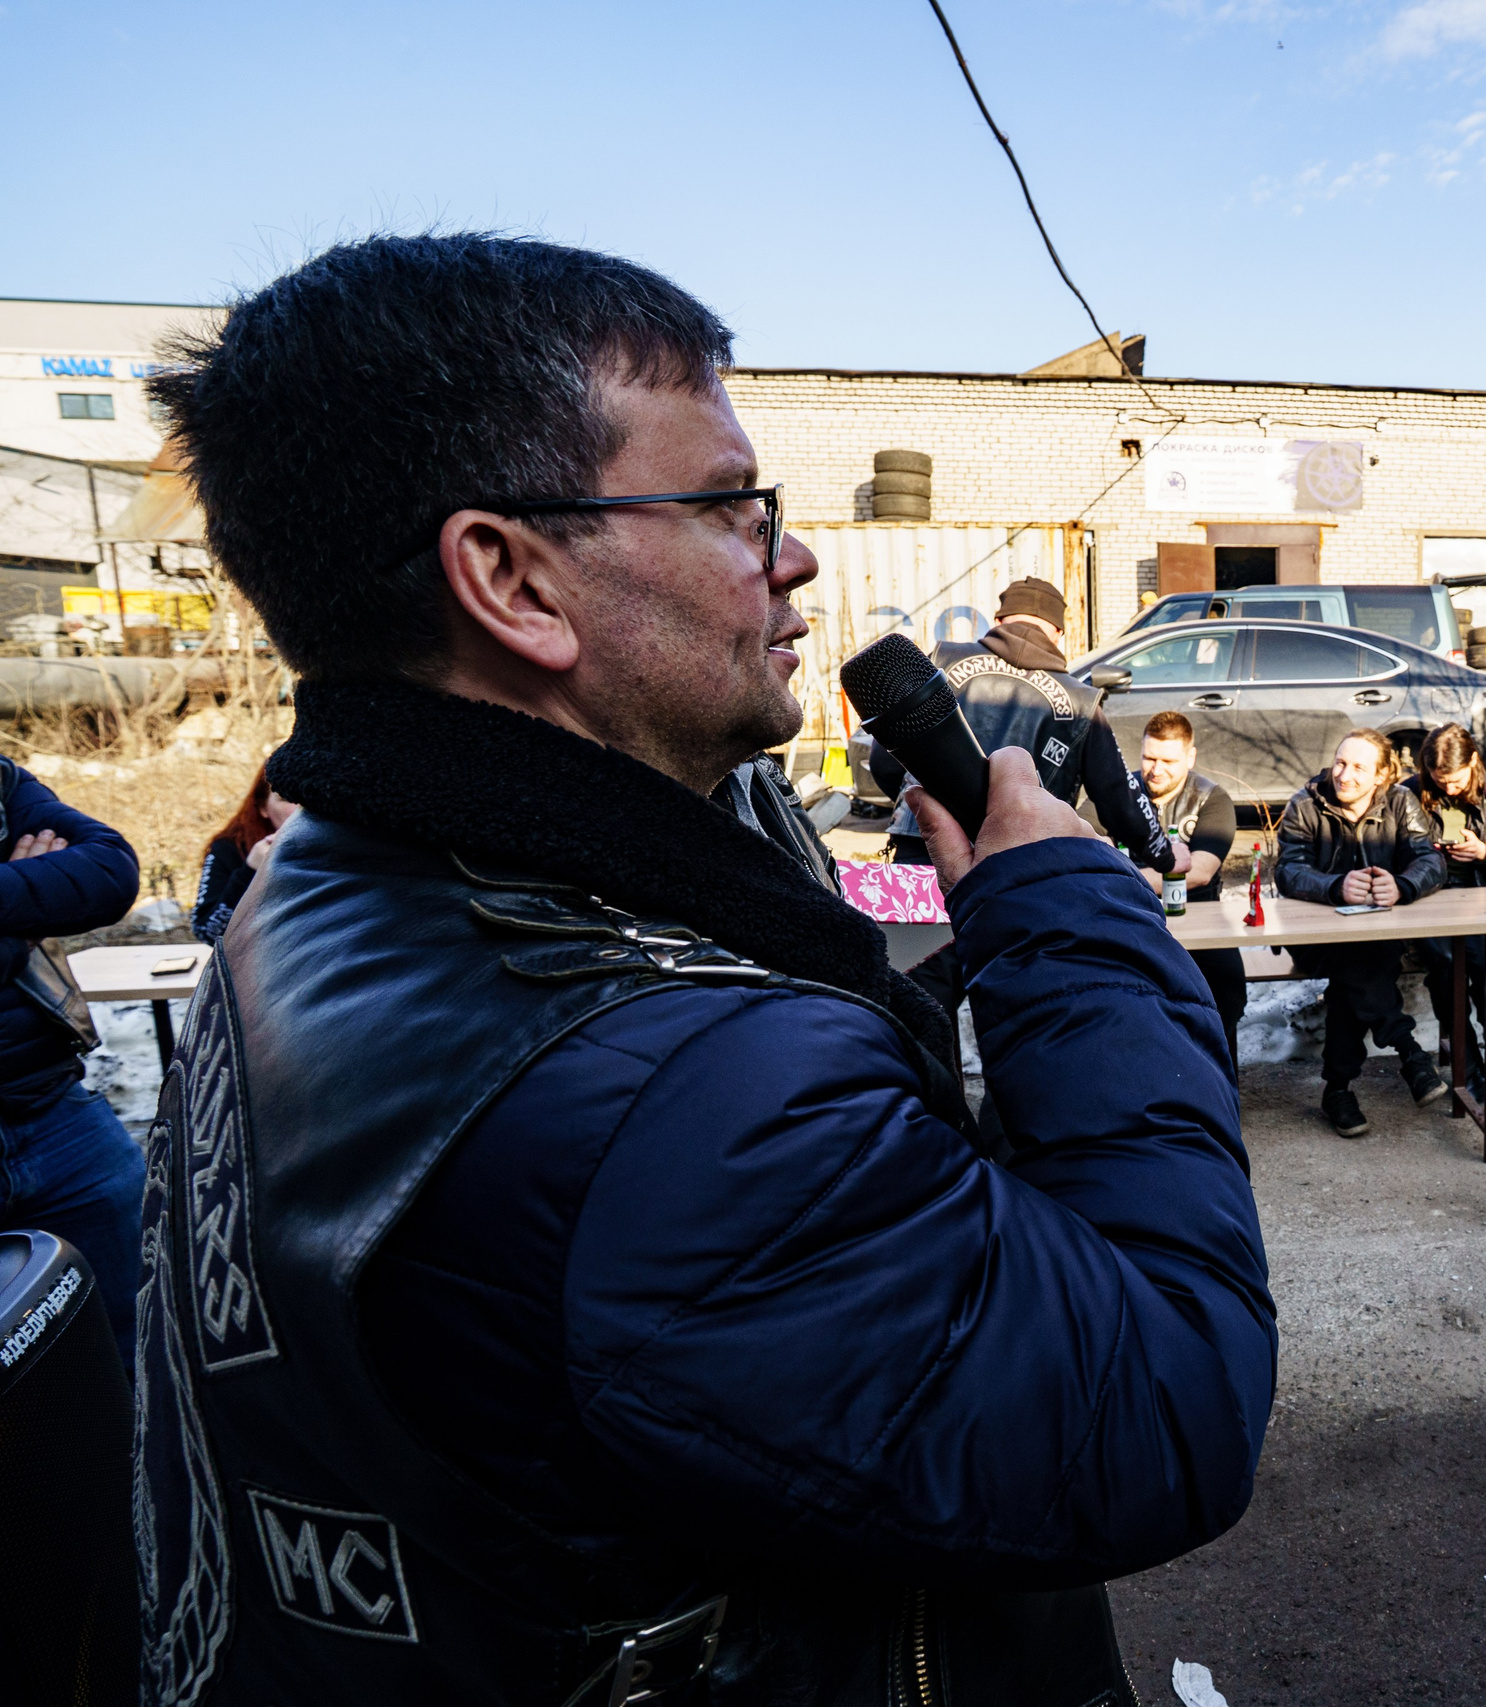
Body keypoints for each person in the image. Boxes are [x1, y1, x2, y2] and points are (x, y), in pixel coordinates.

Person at [137, 234, 1273, 1705]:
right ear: (511, 578)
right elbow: (1166, 1395)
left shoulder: (318, 887)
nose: (791, 555)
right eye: (733, 507)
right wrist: (1064, 906)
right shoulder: (688, 1099)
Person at [874, 575, 1174, 877]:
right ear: (1057, 632)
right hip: (1025, 863)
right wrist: (1166, 856)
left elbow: (885, 760)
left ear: (999, 619)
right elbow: (1119, 797)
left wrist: (924, 809)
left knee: (918, 926)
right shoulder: (1080, 700)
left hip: (925, 850)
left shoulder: (942, 661)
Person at [0, 758, 140, 1363]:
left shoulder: (2, 782)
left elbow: (110, 870)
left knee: (142, 1326)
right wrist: (25, 909)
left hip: (56, 1114)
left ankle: (140, 1456)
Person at [1276, 728, 1449, 1136]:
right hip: (1314, 940)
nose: (1344, 774)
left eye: (1358, 767)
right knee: (1358, 960)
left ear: (1381, 776)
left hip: (1378, 938)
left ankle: (1337, 1089)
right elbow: (1288, 870)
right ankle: (1410, 1054)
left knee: (1354, 976)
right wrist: (1334, 887)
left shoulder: (1400, 802)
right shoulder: (1306, 804)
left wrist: (1401, 885)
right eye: (1340, 762)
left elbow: (1429, 859)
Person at [1410, 723, 1486, 1109]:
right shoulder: (1413, 792)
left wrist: (1483, 853)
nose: (1449, 788)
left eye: (1456, 780)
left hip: (1479, 896)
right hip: (1428, 899)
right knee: (1444, 964)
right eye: (1440, 780)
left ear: (1473, 761)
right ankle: (1470, 1061)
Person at [1138, 709, 1245, 1071]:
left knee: (1226, 993)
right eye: (1149, 758)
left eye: (1168, 760)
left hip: (1201, 917)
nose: (1156, 769)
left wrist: (1127, 874)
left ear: (1190, 756)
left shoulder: (1211, 798)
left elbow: (1199, 872)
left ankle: (1219, 1085)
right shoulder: (1119, 793)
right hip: (1135, 916)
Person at [191, 764, 299, 944]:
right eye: (288, 798)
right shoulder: (230, 848)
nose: (301, 809)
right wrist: (251, 871)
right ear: (263, 808)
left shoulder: (349, 846)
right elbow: (209, 932)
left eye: (310, 798)